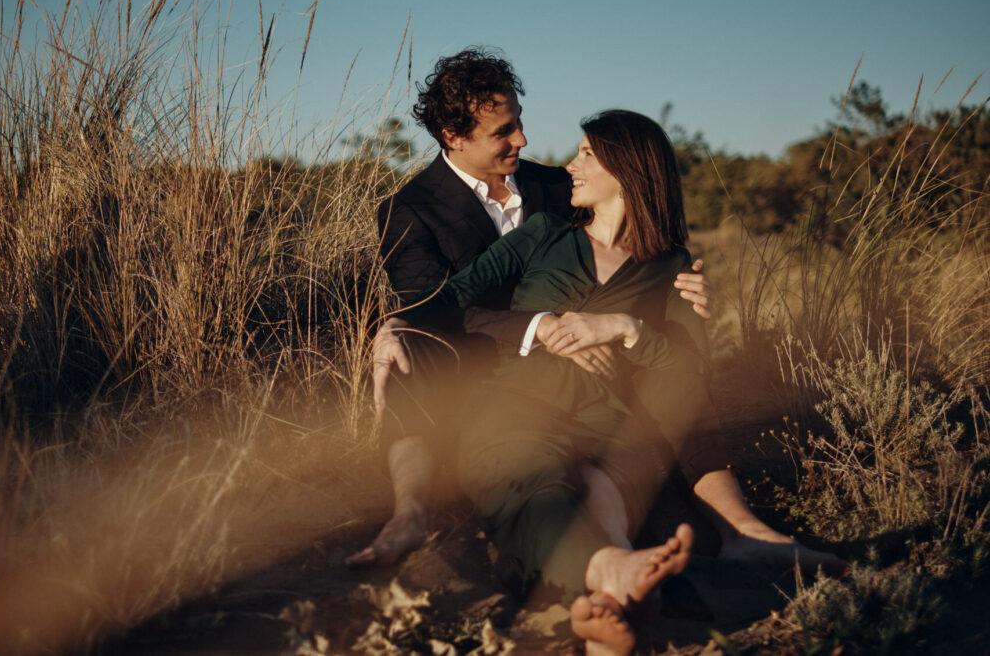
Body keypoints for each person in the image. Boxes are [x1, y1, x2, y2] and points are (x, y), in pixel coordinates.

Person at [349, 49, 828, 583]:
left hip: (593, 362)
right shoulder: (409, 210)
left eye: (521, 122)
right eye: (504, 131)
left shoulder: (557, 186)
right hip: (484, 360)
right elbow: (436, 307)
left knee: (669, 375)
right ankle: (412, 512)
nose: (523, 140)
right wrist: (406, 323)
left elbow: (630, 245)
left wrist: (683, 291)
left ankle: (735, 529)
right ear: (454, 136)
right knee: (410, 357)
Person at [399, 109, 843, 654]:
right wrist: (395, 330)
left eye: (587, 155)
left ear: (628, 171)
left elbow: (689, 374)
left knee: (604, 495)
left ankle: (607, 603)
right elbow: (446, 304)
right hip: (516, 411)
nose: (570, 165)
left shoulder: (671, 266)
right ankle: (615, 579)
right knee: (537, 487)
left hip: (611, 427)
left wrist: (627, 328)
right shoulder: (543, 234)